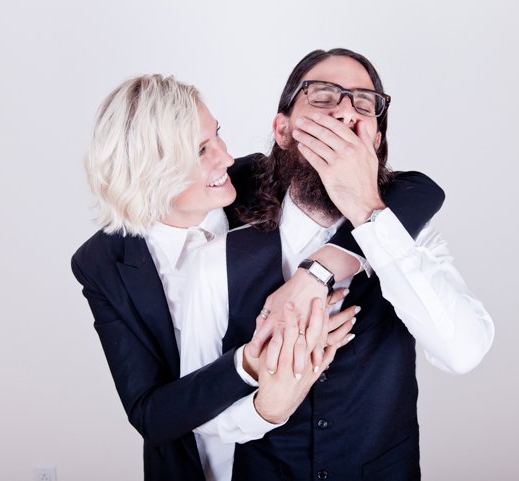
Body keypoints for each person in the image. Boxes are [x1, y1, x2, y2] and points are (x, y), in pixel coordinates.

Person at [71, 73, 444, 480]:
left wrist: (322, 268)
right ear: (149, 170)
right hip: (197, 466)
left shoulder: (251, 182)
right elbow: (151, 413)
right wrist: (250, 362)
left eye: (218, 136)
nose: (226, 158)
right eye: (201, 150)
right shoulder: (103, 263)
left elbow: (414, 190)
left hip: (288, 460)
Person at [180, 48, 495, 481]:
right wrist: (266, 407)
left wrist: (367, 212)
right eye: (323, 97)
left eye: (364, 103)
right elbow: (198, 410)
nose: (346, 111)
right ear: (283, 129)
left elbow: (463, 352)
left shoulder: (413, 241)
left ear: (376, 141)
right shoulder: (216, 255)